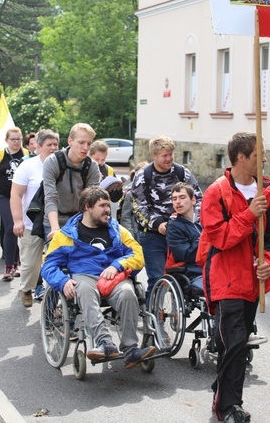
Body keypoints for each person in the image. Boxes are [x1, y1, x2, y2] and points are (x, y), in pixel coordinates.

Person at [199, 132, 270, 423]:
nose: (264, 159)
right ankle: (227, 407)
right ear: (241, 157)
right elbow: (220, 238)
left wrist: (268, 264)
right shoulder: (217, 192)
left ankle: (225, 398)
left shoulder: (268, 193)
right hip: (225, 279)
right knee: (234, 343)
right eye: (259, 154)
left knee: (238, 344)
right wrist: (249, 214)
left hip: (253, 281)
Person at [41, 186, 156, 369]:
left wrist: (117, 265)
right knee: (85, 290)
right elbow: (48, 266)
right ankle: (104, 343)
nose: (107, 210)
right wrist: (62, 282)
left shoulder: (117, 230)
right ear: (88, 207)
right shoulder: (66, 235)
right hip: (84, 276)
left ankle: (130, 348)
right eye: (102, 206)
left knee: (128, 293)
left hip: (113, 278)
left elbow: (137, 254)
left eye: (108, 205)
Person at [131, 135, 201, 300]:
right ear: (154, 156)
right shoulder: (143, 176)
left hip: (181, 230)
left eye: (171, 154)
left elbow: (198, 198)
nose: (169, 158)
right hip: (153, 234)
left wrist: (193, 220)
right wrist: (158, 225)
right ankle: (155, 319)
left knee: (185, 275)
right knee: (157, 278)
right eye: (164, 155)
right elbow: (139, 208)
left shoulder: (182, 173)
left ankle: (179, 314)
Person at [10, 129, 60, 307]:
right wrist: (18, 221)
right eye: (49, 145)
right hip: (31, 224)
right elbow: (16, 195)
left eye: (56, 144)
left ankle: (54, 304)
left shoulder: (62, 166)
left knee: (57, 264)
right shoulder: (28, 166)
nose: (53, 148)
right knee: (31, 265)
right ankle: (26, 288)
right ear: (38, 147)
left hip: (55, 226)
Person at [43, 123, 101, 240]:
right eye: (81, 142)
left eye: (89, 144)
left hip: (81, 221)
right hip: (56, 220)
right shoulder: (52, 161)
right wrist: (55, 228)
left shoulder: (92, 166)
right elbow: (50, 197)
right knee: (58, 257)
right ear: (70, 141)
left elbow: (93, 199)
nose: (85, 147)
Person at [0, 127, 29, 280]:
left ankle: (17, 263)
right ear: (6, 140)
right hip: (3, 196)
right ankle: (9, 265)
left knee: (19, 229)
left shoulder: (27, 155)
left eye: (19, 139)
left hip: (21, 197)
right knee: (11, 227)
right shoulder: (0, 155)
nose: (16, 142)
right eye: (13, 139)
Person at [165, 182, 203, 291]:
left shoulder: (202, 221)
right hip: (191, 273)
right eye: (174, 199)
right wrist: (204, 239)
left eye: (182, 197)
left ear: (193, 200)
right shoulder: (173, 226)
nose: (178, 202)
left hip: (212, 268)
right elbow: (186, 255)